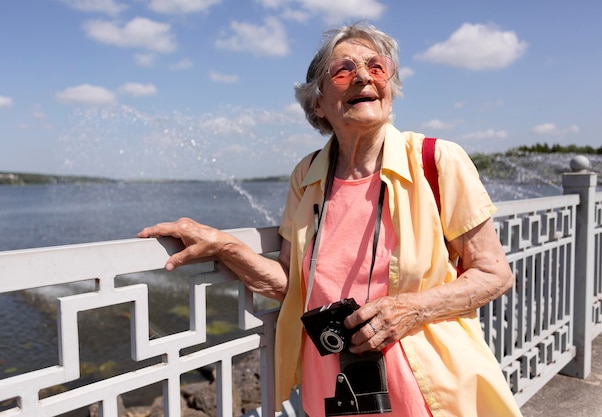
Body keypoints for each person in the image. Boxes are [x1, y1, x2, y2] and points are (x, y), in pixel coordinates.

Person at [138, 22, 522, 417]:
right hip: (333, 385)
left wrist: (410, 309)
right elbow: (292, 283)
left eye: (376, 67)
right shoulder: (306, 175)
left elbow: (494, 274)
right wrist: (225, 247)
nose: (362, 77)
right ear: (318, 104)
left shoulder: (437, 160)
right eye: (343, 70)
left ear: (390, 86)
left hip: (429, 390)